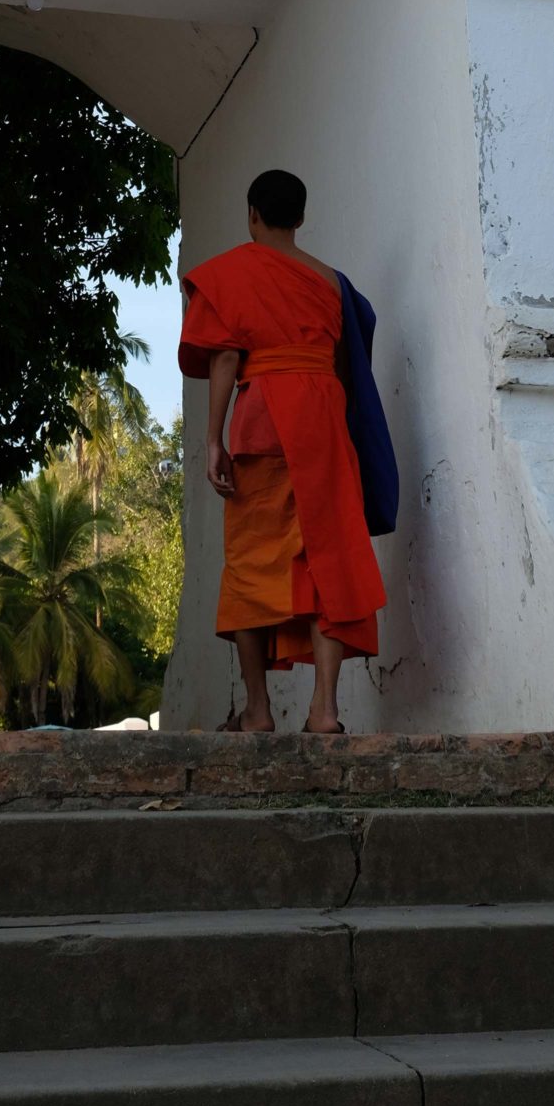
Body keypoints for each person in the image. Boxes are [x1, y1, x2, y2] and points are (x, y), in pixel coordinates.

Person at [179, 169, 387, 735]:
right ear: (300, 218)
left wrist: (213, 438)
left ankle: (258, 710)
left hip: (263, 419)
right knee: (329, 560)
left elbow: (224, 358)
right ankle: (325, 712)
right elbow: (350, 365)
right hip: (322, 418)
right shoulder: (332, 282)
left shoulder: (230, 273)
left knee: (250, 562)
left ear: (252, 214)